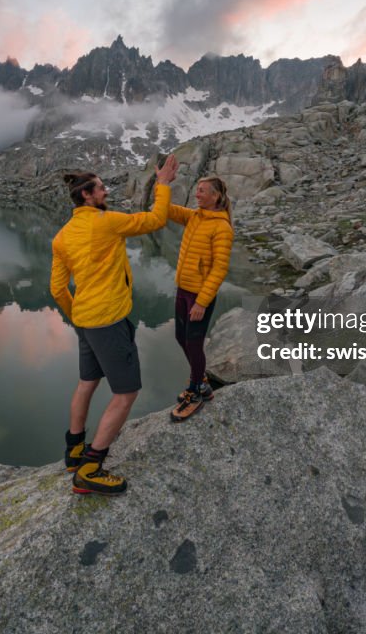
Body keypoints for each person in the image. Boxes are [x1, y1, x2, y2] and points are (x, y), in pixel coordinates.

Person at [51, 154, 179, 495]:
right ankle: (91, 467)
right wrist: (163, 185)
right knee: (126, 393)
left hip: (85, 321)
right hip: (109, 320)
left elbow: (57, 289)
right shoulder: (106, 222)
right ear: (87, 196)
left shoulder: (62, 237)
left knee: (87, 382)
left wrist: (77, 314)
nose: (107, 191)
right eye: (102, 188)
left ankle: (74, 449)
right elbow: (155, 220)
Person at [167, 176, 234, 421]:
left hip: (199, 296)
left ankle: (196, 391)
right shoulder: (194, 216)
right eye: (196, 190)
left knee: (194, 343)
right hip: (183, 290)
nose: (197, 194)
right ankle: (202, 380)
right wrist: (163, 184)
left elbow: (219, 270)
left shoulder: (222, 227)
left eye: (202, 191)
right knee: (180, 337)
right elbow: (165, 210)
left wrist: (202, 302)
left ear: (216, 197)